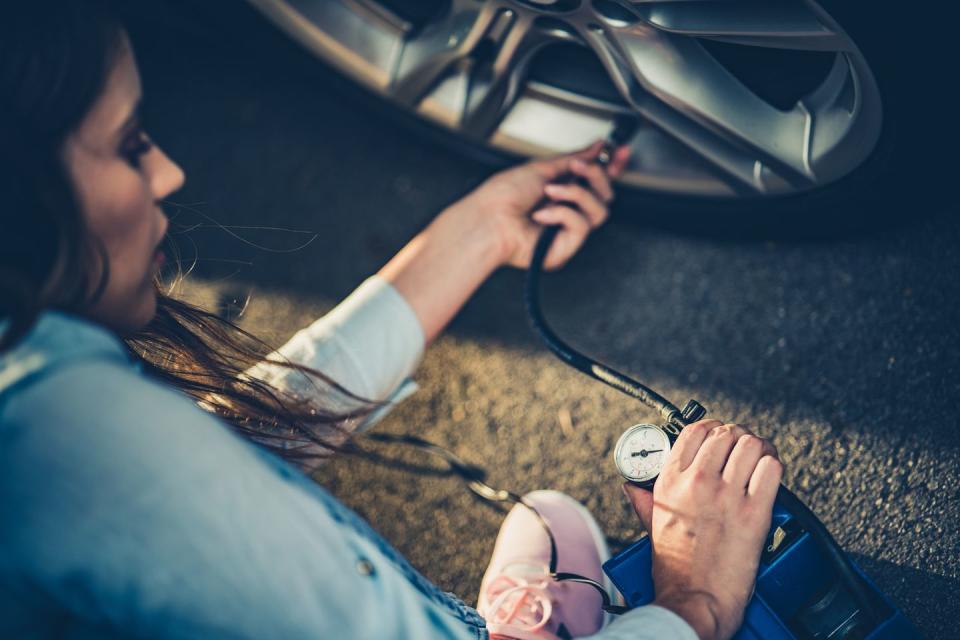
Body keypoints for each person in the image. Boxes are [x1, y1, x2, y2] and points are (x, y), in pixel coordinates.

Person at [0, 2, 783, 639]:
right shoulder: (76, 449)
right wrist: (693, 601)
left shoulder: (51, 415)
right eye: (129, 144)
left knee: (548, 520)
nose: (168, 171)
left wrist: (475, 232)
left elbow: (216, 451)